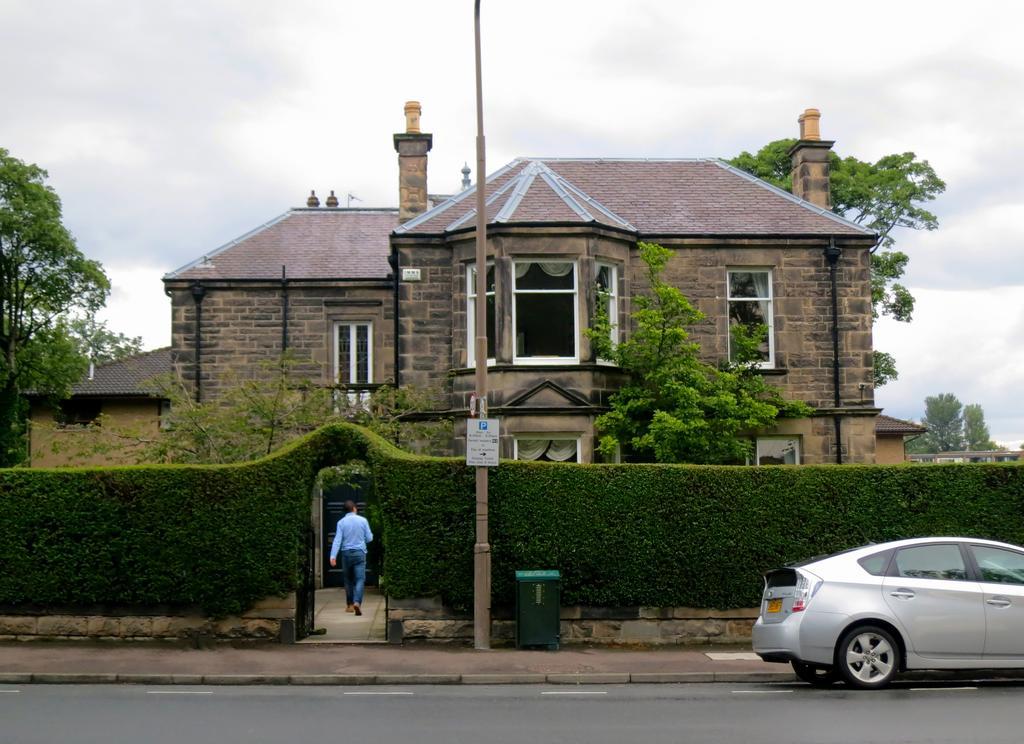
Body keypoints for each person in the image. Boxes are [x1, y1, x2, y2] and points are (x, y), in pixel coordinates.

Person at [329, 500, 373, 615]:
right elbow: (369, 538)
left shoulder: (341, 522)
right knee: (360, 579)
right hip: (359, 553)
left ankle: (349, 605)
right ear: (354, 508)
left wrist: (333, 556)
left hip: (346, 553)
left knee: (348, 580)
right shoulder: (363, 521)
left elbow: (337, 540)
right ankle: (357, 602)